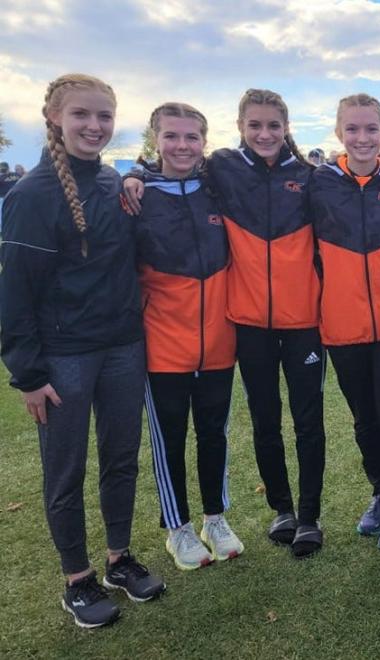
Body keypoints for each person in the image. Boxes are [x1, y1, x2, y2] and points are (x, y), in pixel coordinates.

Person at [125, 89, 325, 559]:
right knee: (264, 420)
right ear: (239, 127)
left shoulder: (309, 177)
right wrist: (135, 173)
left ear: (286, 126)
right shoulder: (223, 169)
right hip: (247, 323)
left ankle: (310, 516)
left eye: (273, 125)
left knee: (308, 420)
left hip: (304, 323)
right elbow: (165, 174)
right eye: (255, 125)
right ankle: (282, 509)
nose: (264, 134)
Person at [0, 73, 165, 629]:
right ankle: (78, 578)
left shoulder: (114, 183)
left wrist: (138, 175)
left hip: (123, 346)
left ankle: (119, 559)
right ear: (53, 118)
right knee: (64, 470)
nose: (93, 127)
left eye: (103, 117)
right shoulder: (31, 195)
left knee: (121, 459)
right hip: (64, 357)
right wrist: (26, 373)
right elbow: (15, 292)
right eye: (81, 116)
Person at [134, 102, 243, 571]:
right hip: (163, 345)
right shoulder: (137, 195)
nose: (182, 146)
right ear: (155, 139)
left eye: (191, 137)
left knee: (214, 433)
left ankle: (214, 518)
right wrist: (131, 176)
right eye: (172, 136)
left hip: (219, 341)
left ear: (204, 141)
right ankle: (177, 527)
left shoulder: (217, 191)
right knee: (171, 439)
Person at [310, 94, 380, 551]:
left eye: (370, 128)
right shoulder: (318, 181)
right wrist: (138, 177)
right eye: (352, 129)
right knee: (364, 420)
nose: (361, 137)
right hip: (341, 322)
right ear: (339, 133)